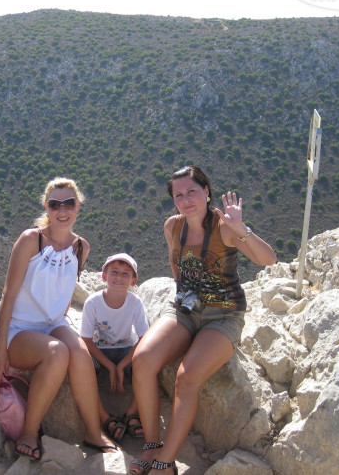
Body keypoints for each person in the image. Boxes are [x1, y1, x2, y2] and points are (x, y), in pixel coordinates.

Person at [130, 166, 276, 474]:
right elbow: (176, 262)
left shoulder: (225, 227)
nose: (185, 200)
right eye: (178, 195)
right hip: (185, 309)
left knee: (186, 378)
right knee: (142, 359)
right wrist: (182, 294)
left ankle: (165, 461)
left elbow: (268, 259)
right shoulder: (173, 226)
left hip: (223, 315)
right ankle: (152, 443)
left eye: (192, 192)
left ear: (207, 191)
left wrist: (241, 227)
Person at [0, 177, 117, 461]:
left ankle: (93, 432)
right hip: (18, 326)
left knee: (81, 355)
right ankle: (29, 432)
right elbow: (9, 294)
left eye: (68, 203)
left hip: (53, 323)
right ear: (46, 208)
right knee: (57, 353)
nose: (62, 210)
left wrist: (62, 320)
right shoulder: (30, 240)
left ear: (78, 206)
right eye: (54, 204)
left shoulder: (81, 247)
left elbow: (64, 287)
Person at [80, 253, 149, 442]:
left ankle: (131, 413)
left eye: (126, 273)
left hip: (126, 348)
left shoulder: (135, 303)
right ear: (104, 276)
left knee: (148, 363)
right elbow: (86, 340)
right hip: (99, 349)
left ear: (133, 280)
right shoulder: (93, 303)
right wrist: (110, 366)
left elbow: (144, 338)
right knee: (82, 368)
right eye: (114, 272)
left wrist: (122, 365)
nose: (119, 277)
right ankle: (105, 418)